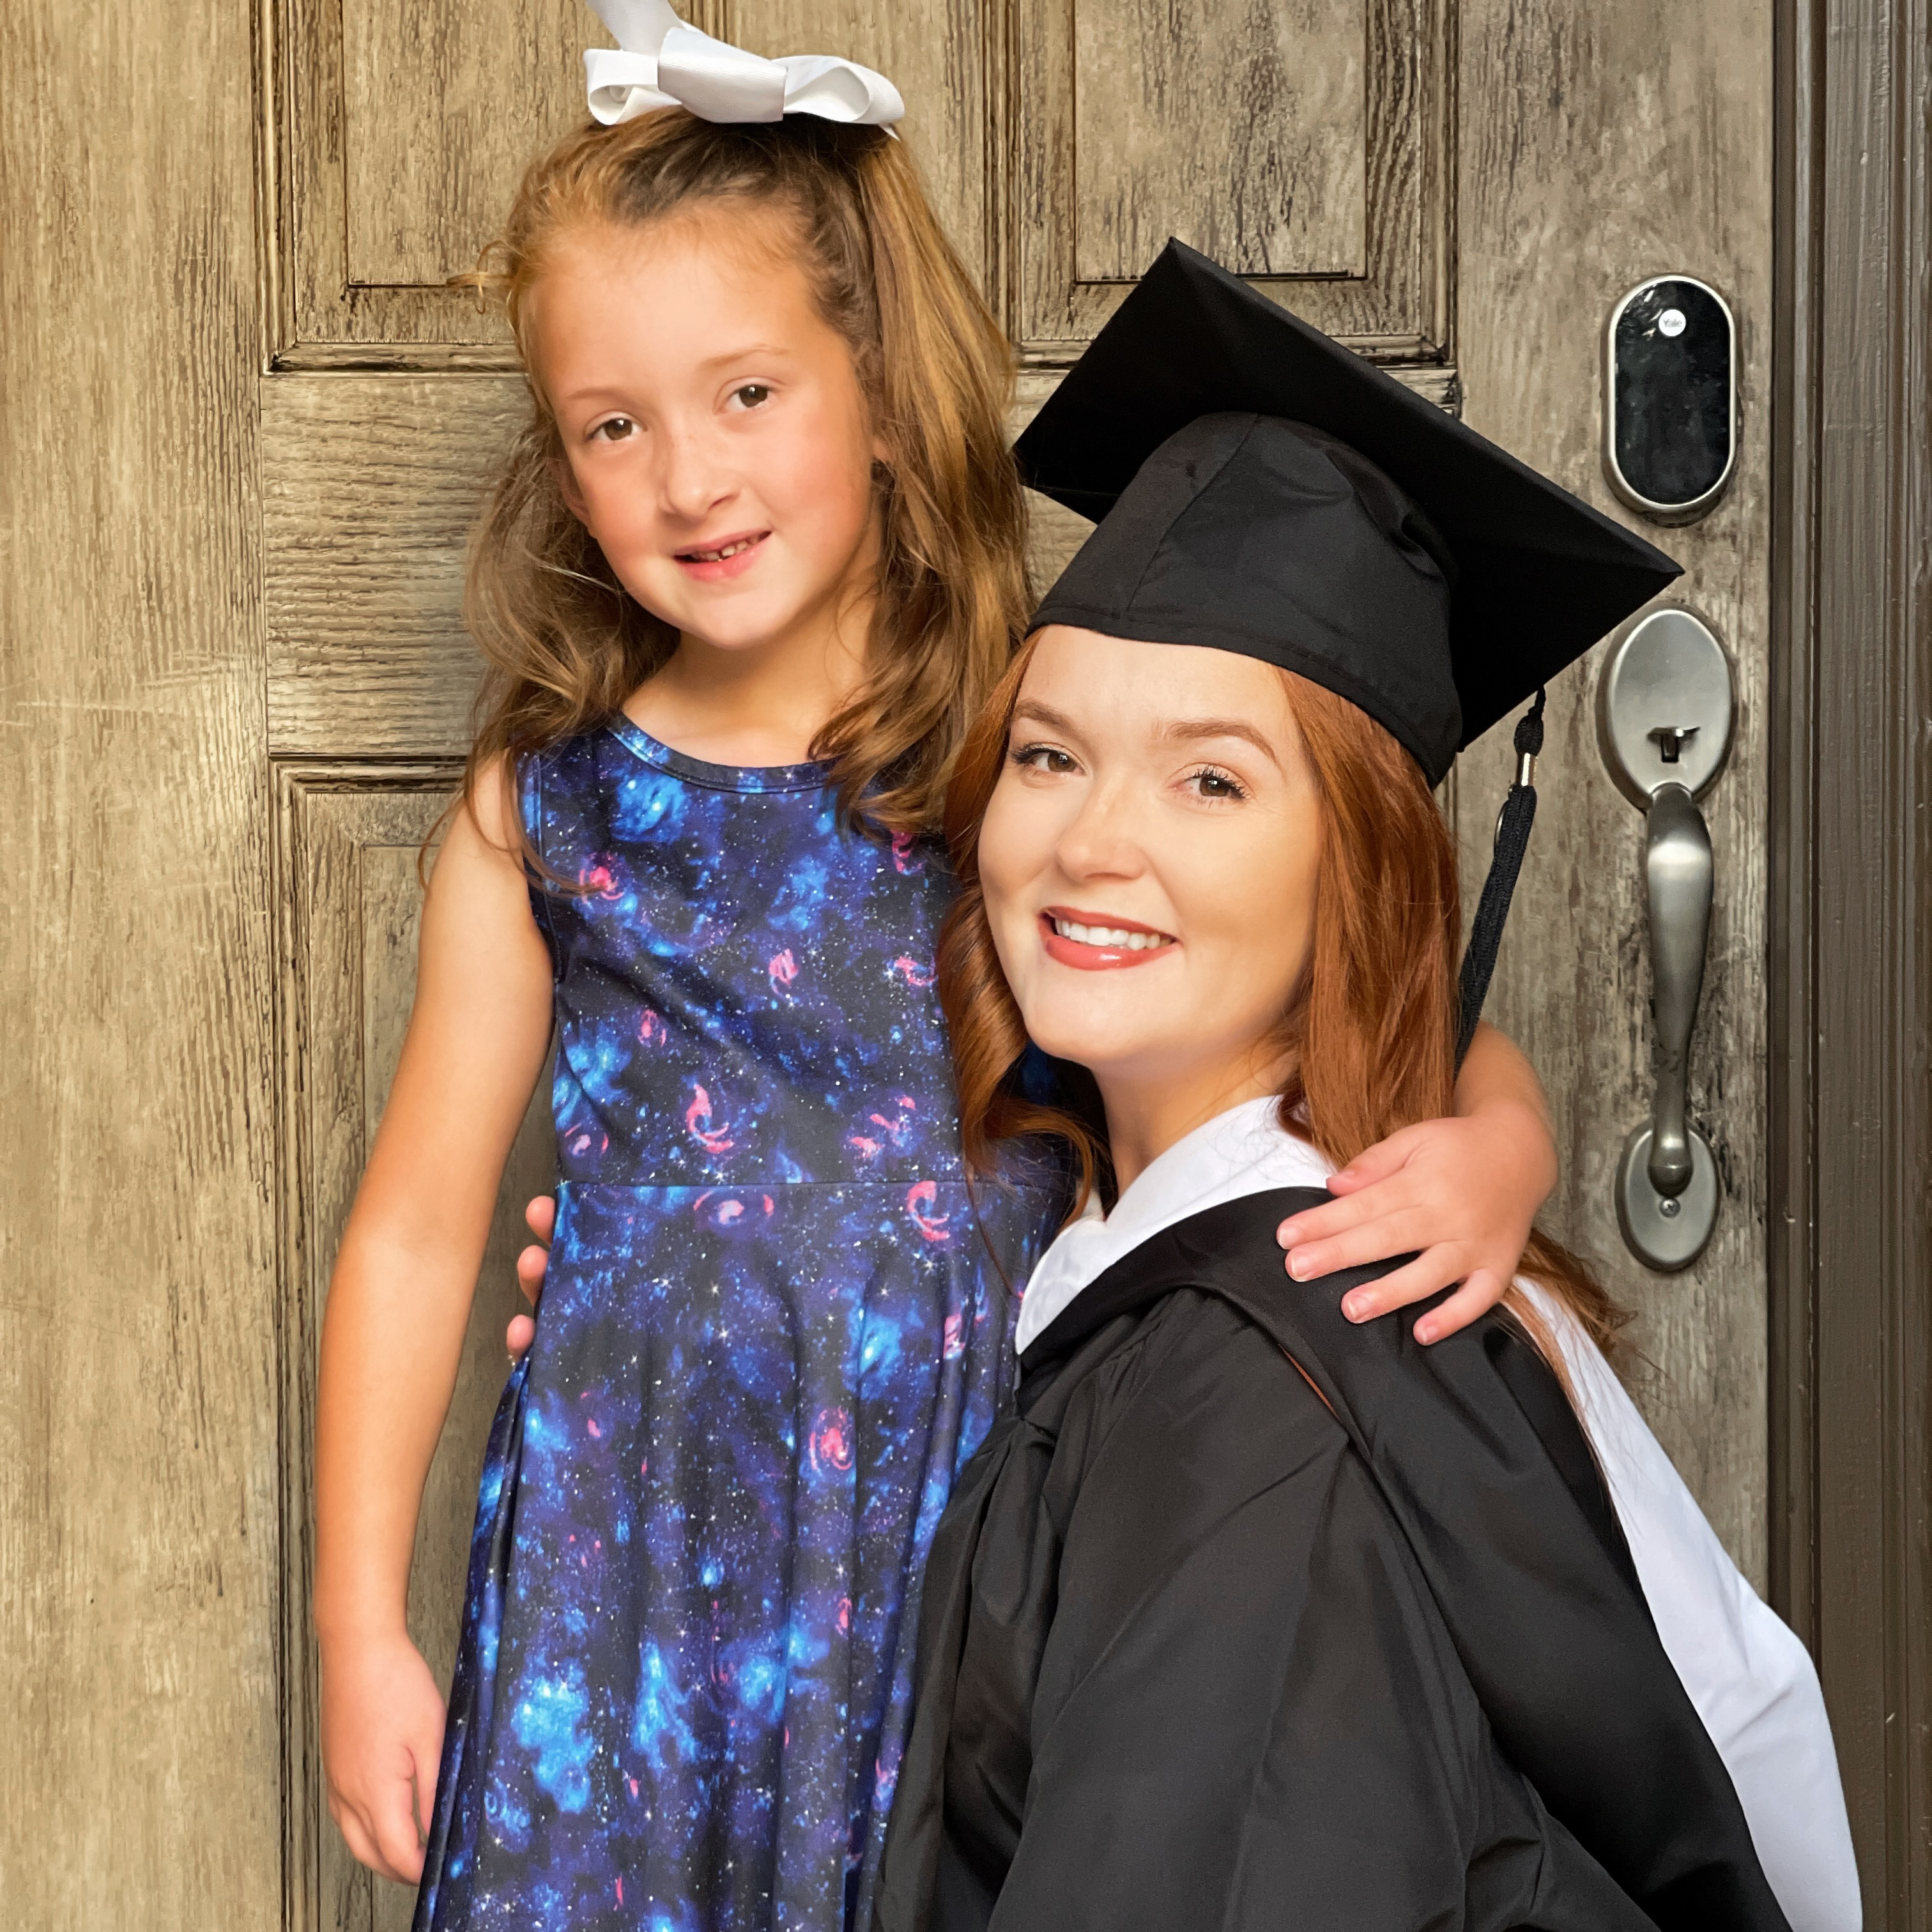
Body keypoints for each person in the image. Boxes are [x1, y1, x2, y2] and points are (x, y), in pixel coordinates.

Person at [310, 9, 1572, 1924]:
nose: (687, 479)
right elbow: (416, 1227)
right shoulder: (543, 809)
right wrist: (357, 1624)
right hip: (627, 1547)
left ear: (882, 395)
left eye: (748, 396)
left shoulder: (1015, 755)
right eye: (612, 426)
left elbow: (1406, 1012)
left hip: (959, 1506)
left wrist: (1502, 1157)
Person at [873, 241, 1859, 1932]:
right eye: (1049, 754)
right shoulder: (1259, 1254)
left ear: (1362, 876)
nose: (1093, 840)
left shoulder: (1261, 1399)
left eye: (1211, 779)